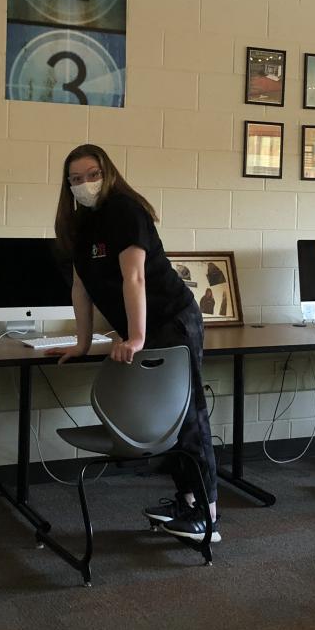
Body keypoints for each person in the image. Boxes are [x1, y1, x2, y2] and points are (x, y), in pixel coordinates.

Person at [52, 144, 220, 543]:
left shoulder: (125, 210)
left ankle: (208, 515)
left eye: (92, 175)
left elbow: (135, 278)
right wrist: (81, 342)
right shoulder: (80, 224)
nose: (84, 184)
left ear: (108, 173)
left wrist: (136, 337)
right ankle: (186, 501)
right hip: (145, 327)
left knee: (188, 415)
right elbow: (80, 288)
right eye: (75, 179)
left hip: (172, 321)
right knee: (165, 420)